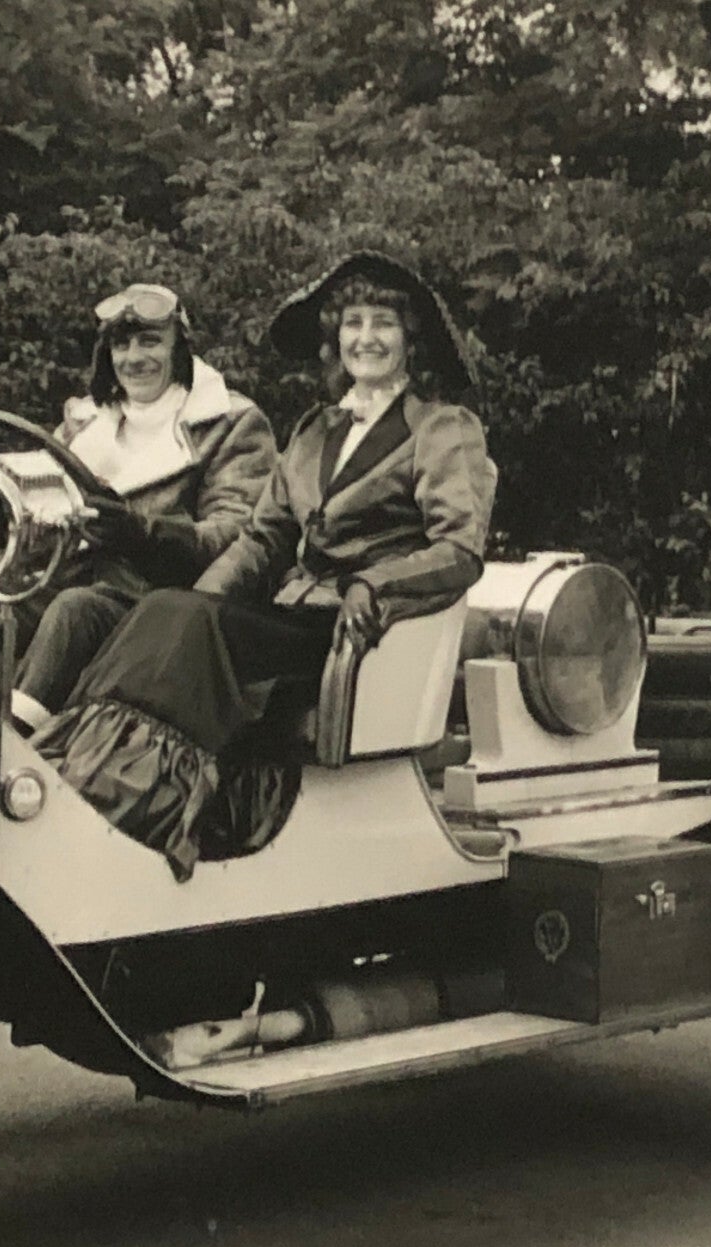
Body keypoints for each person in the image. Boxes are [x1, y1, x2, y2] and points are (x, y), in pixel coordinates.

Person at [34, 251, 498, 877]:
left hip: (356, 627)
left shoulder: (442, 428)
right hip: (289, 615)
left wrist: (375, 584)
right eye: (353, 323)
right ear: (335, 338)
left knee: (189, 621)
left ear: (410, 339)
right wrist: (199, 600)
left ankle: (132, 804)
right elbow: (262, 540)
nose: (366, 338)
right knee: (169, 610)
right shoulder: (315, 430)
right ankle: (81, 774)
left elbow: (459, 549)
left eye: (383, 323)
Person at [0, 283, 277, 731]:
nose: (134, 358)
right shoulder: (89, 421)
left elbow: (236, 538)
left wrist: (139, 532)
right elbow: (30, 503)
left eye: (150, 341)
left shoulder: (230, 422)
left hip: (158, 602)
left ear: (179, 349)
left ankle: (14, 744)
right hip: (64, 576)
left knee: (74, 612)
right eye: (121, 345)